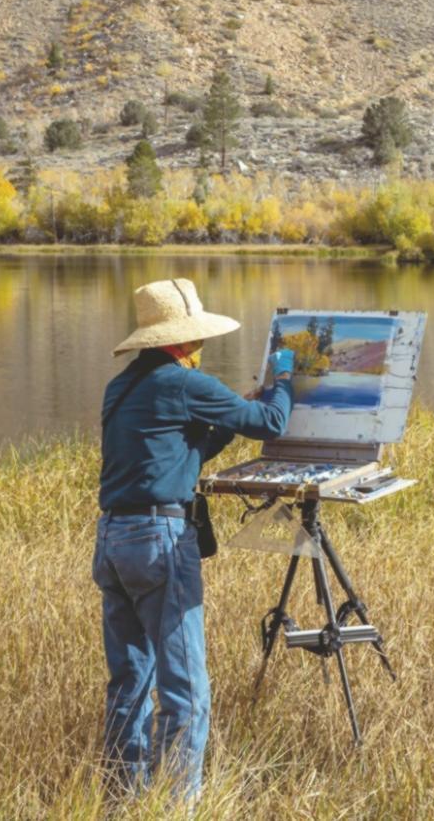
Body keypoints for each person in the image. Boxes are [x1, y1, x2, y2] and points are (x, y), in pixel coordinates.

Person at [94, 277, 294, 800]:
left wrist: (227, 415)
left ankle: (123, 800)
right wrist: (285, 379)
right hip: (160, 540)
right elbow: (271, 422)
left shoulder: (123, 386)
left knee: (130, 683)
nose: (203, 346)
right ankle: (179, 806)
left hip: (113, 540)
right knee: (186, 689)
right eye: (198, 339)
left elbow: (179, 454)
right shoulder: (185, 384)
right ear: (184, 340)